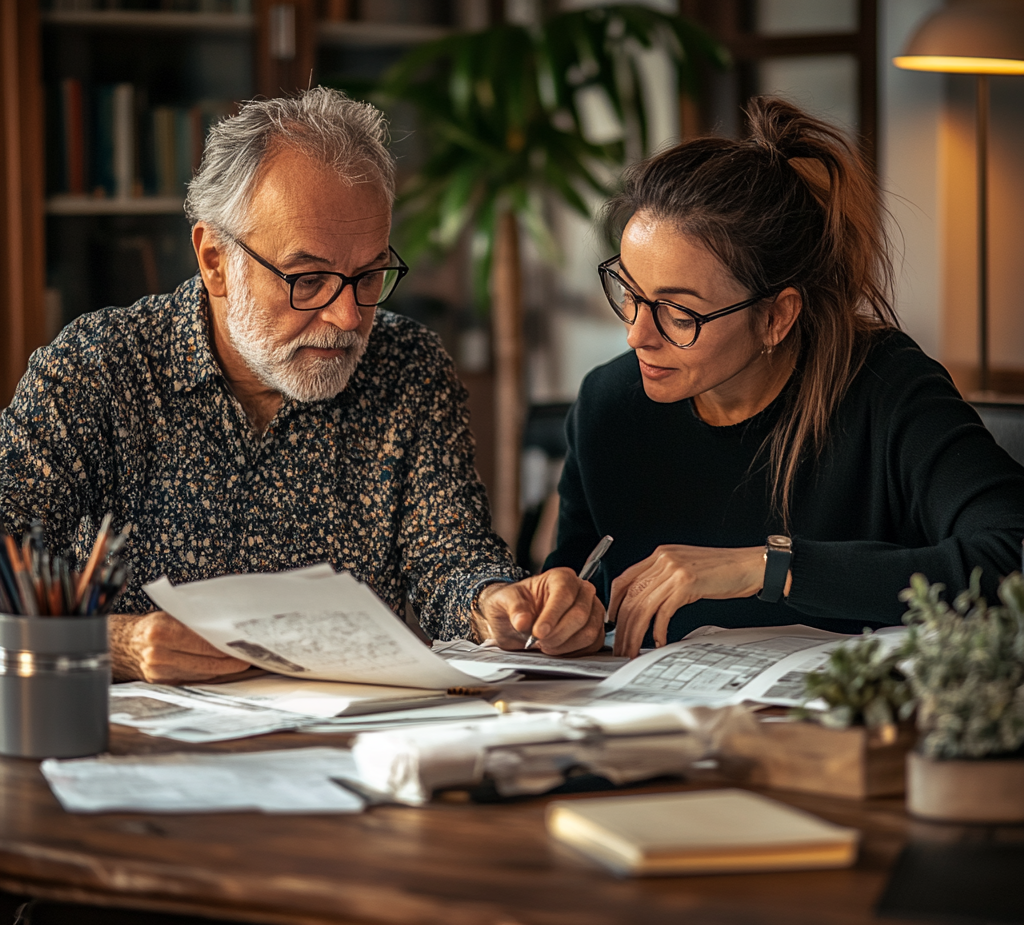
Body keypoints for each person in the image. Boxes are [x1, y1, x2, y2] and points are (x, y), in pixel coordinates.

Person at [0, 88, 604, 682]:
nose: (347, 319)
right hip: (145, 749)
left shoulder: (406, 365)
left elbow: (449, 557)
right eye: (308, 279)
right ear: (215, 260)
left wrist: (499, 602)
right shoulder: (98, 371)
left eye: (369, 276)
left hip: (352, 743)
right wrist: (119, 645)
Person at [544, 97, 1024, 658]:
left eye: (679, 314)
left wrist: (769, 567)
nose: (636, 334)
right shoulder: (609, 404)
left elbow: (1011, 555)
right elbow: (577, 576)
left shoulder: (886, 388)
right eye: (629, 293)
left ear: (776, 316)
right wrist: (560, 607)